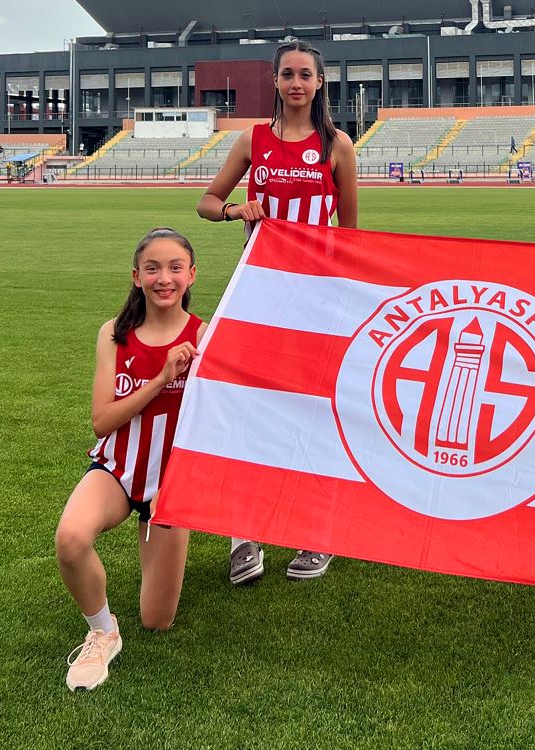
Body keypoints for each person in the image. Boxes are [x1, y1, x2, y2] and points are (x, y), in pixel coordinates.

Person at [197, 39, 357, 585]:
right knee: (246, 406)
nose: (296, 83)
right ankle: (244, 535)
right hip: (258, 296)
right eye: (287, 74)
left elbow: (350, 235)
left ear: (319, 82)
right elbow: (206, 203)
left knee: (313, 410)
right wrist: (236, 209)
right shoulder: (253, 139)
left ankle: (317, 534)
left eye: (305, 74)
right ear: (275, 80)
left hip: (315, 300)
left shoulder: (338, 146)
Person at [55, 228, 206, 692]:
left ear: (192, 275)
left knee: (157, 620)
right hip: (118, 471)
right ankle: (102, 632)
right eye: (153, 268)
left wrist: (184, 487)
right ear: (137, 277)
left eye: (175, 268)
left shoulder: (205, 336)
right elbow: (102, 421)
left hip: (171, 487)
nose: (165, 278)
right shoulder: (114, 334)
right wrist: (161, 378)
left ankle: (162, 539)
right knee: (70, 539)